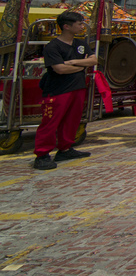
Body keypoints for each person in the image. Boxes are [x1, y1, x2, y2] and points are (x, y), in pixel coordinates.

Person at [32, 11, 97, 170]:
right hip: (58, 90)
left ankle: (65, 148)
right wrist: (82, 64)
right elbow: (59, 69)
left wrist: (74, 62)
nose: (82, 26)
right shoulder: (53, 46)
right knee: (50, 122)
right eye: (79, 24)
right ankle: (42, 154)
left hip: (77, 87)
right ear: (66, 26)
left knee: (72, 120)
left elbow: (94, 60)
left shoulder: (80, 44)